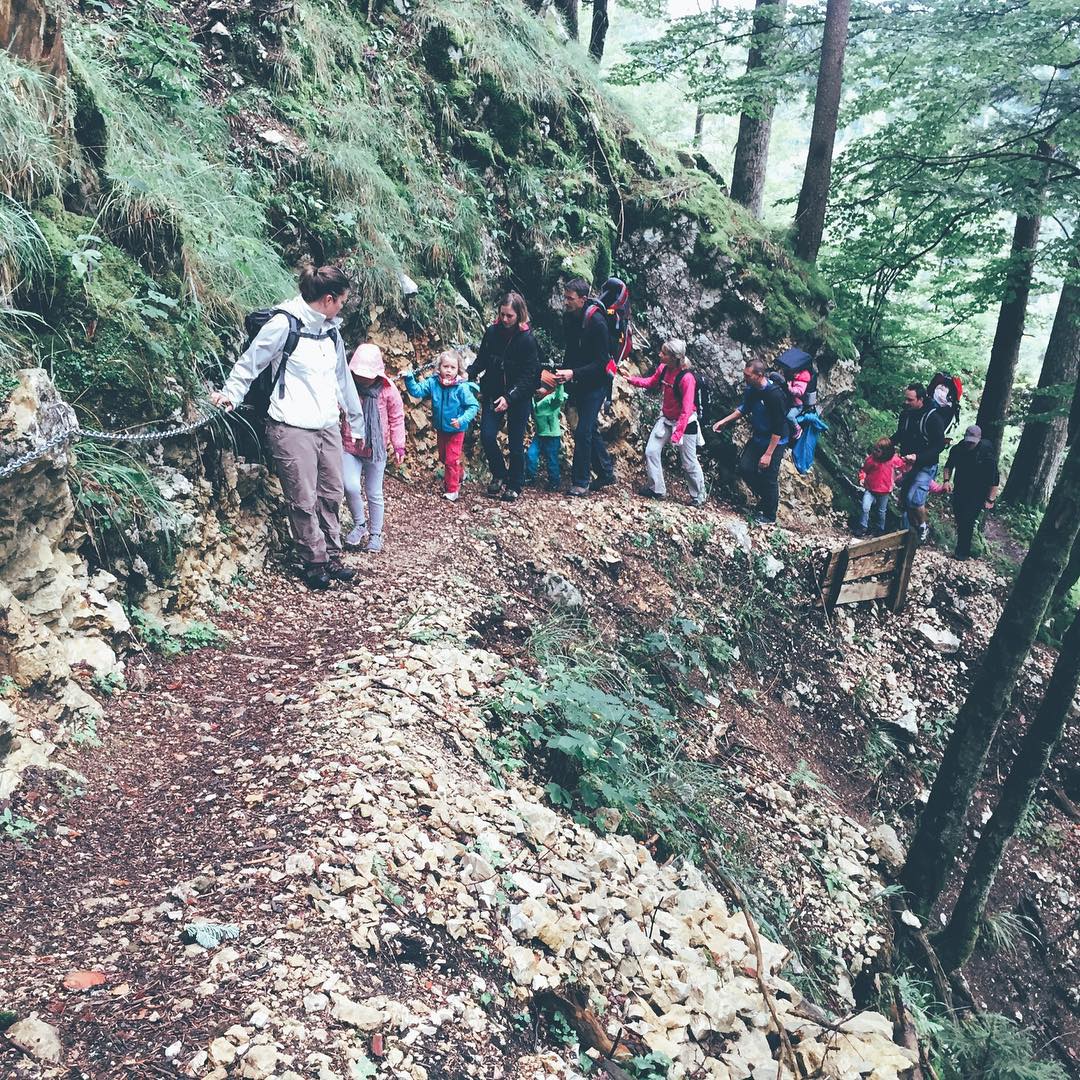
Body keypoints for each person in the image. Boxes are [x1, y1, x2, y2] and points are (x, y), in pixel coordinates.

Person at [211, 264, 363, 591]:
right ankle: (314, 561)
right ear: (328, 299)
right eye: (341, 301)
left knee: (331, 493)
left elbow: (342, 378)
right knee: (303, 498)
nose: (342, 307)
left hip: (327, 425)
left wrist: (356, 420)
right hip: (291, 425)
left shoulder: (331, 331)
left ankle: (332, 554)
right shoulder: (284, 323)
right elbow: (252, 361)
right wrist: (231, 394)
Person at [469, 292, 541, 503]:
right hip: (493, 390)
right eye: (502, 314)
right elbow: (482, 359)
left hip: (519, 396)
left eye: (510, 316)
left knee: (515, 442)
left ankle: (515, 484)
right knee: (487, 435)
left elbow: (529, 375)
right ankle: (499, 472)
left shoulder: (528, 340)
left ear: (519, 315)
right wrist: (468, 373)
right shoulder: (492, 332)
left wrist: (510, 398)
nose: (505, 319)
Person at [550, 278, 616, 497]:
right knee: (589, 429)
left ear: (583, 299)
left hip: (597, 384)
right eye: (565, 297)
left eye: (570, 298)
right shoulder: (569, 318)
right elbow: (571, 349)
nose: (565, 302)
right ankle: (606, 472)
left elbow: (601, 363)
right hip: (578, 381)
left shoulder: (597, 322)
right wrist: (564, 373)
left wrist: (573, 373)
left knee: (583, 431)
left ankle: (581, 482)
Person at [340, 343, 405, 553]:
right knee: (350, 485)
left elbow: (396, 418)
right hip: (350, 445)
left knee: (374, 493)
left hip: (376, 450)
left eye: (366, 375)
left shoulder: (388, 390)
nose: (362, 378)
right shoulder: (347, 387)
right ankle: (360, 524)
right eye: (358, 374)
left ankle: (376, 534)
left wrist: (399, 446)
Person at [628, 339, 706, 506]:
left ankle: (698, 495)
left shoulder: (687, 379)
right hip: (667, 419)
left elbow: (686, 409)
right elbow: (651, 382)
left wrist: (678, 434)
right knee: (651, 451)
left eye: (664, 353)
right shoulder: (663, 369)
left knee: (688, 461)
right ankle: (657, 489)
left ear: (673, 357)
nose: (660, 355)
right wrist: (632, 380)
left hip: (686, 423)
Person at [712, 359, 789, 524]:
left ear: (759, 375)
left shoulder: (774, 395)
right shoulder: (752, 389)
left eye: (748, 375)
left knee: (769, 477)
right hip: (759, 436)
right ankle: (765, 499)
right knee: (745, 467)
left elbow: (779, 427)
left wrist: (768, 454)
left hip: (775, 441)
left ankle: (769, 516)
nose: (745, 378)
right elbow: (745, 408)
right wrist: (724, 421)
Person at [403, 351, 479, 503]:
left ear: (458, 370)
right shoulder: (434, 383)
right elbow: (417, 391)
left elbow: (473, 406)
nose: (449, 370)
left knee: (451, 460)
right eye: (445, 366)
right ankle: (460, 474)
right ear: (439, 367)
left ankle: (452, 490)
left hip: (457, 430)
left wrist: (462, 420)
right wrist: (409, 378)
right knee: (444, 457)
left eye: (453, 367)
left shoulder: (461, 387)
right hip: (441, 428)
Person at [891, 382, 948, 542]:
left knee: (914, 499)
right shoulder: (906, 415)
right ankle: (906, 533)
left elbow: (938, 446)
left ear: (920, 399)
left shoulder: (933, 419)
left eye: (910, 400)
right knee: (904, 500)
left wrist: (918, 457)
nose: (906, 402)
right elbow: (900, 434)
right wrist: (888, 444)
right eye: (906, 399)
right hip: (907, 464)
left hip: (926, 465)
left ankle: (922, 527)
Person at [942, 424, 1000, 560]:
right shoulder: (957, 449)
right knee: (959, 517)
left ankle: (962, 553)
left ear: (979, 439)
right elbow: (948, 466)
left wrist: (990, 499)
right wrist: (946, 481)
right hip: (960, 488)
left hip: (978, 492)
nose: (970, 444)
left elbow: (994, 479)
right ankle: (962, 548)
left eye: (973, 442)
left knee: (967, 520)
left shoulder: (986, 453)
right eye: (968, 441)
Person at [857, 437, 904, 536]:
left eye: (878, 451)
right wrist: (862, 478)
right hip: (870, 489)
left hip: (884, 491)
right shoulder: (871, 459)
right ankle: (862, 527)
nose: (875, 452)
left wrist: (898, 476)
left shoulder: (893, 460)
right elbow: (864, 470)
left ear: (886, 452)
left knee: (881, 512)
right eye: (874, 449)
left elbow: (903, 466)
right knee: (865, 507)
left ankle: (880, 529)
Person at [525, 382, 566, 490]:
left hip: (552, 435)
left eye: (540, 387)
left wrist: (559, 385)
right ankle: (530, 477)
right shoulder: (534, 400)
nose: (537, 390)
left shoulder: (552, 401)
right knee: (531, 454)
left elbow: (559, 398)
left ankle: (554, 482)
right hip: (539, 435)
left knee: (552, 459)